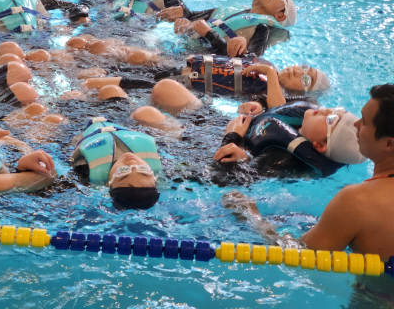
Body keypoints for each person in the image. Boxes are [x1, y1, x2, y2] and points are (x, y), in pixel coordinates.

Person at [222, 85, 394, 303]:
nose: (357, 125)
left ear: (389, 143)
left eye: (365, 121)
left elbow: (296, 257)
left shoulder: (358, 201)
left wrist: (250, 214)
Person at [213, 64, 366, 176]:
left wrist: (232, 136)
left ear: (320, 145)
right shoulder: (307, 110)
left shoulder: (284, 158)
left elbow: (229, 177)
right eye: (338, 111)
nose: (327, 110)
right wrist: (259, 103)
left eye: (331, 119)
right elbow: (281, 103)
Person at [82, 55, 330, 104]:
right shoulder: (266, 63)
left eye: (306, 80)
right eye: (305, 68)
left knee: (102, 84)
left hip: (182, 86)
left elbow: (276, 108)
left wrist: (273, 77)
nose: (299, 72)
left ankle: (78, 91)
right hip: (181, 69)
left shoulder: (279, 95)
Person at [161, 0, 297, 57]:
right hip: (177, 46)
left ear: (280, 16)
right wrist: (183, 16)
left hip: (196, 57)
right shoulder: (232, 10)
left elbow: (248, 62)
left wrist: (210, 34)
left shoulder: (261, 28)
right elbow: (192, 16)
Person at [70, 116, 162, 210]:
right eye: (143, 169)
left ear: (108, 185)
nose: (132, 163)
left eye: (123, 171)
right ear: (154, 177)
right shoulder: (158, 159)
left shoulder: (84, 170)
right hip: (122, 118)